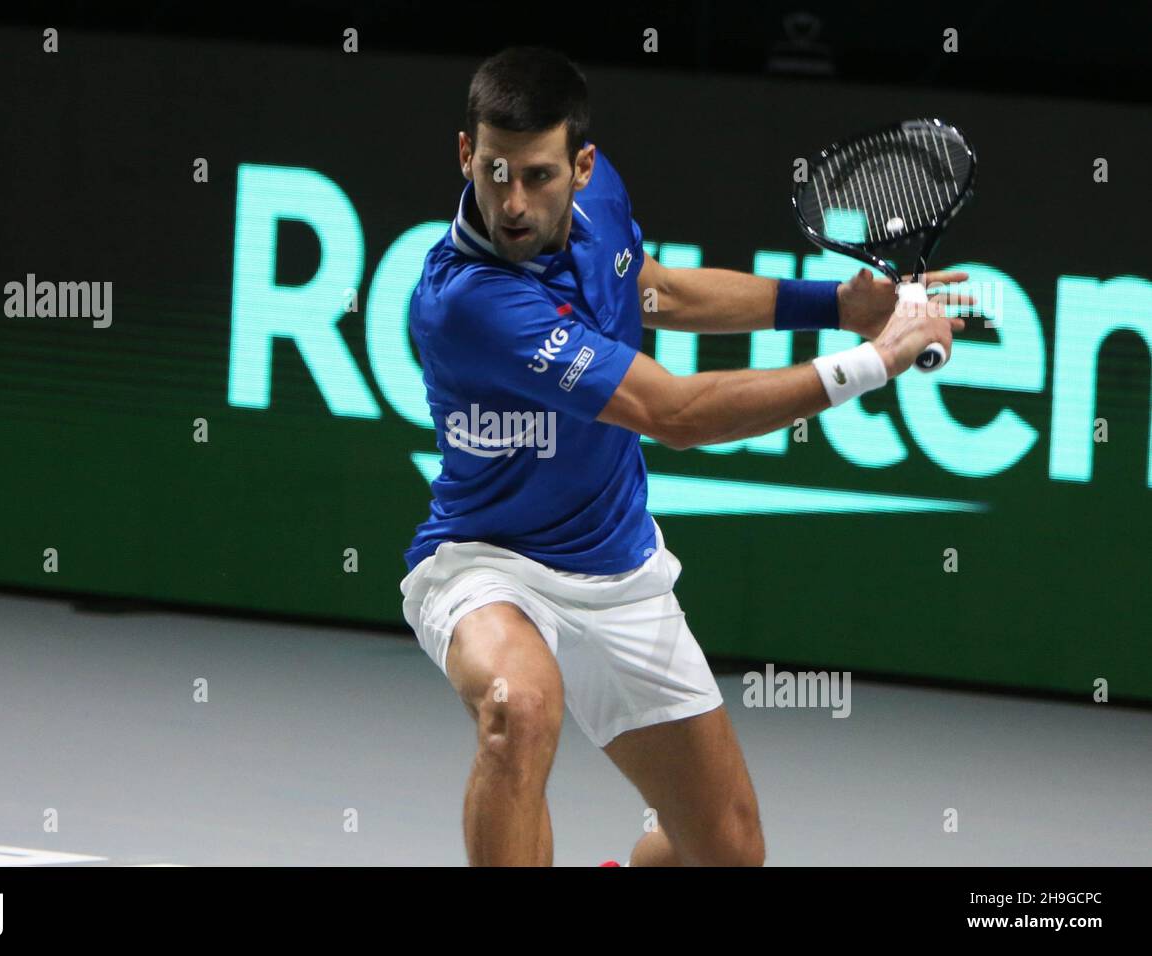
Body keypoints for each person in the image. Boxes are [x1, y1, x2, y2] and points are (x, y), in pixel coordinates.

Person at [400, 46, 970, 866]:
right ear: (466, 154)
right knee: (516, 707)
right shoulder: (470, 304)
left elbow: (652, 290)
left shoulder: (602, 197)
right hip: (488, 561)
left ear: (582, 165)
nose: (513, 202)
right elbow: (674, 414)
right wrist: (874, 362)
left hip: (618, 565)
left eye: (537, 175)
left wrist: (837, 304)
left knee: (727, 853)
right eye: (494, 171)